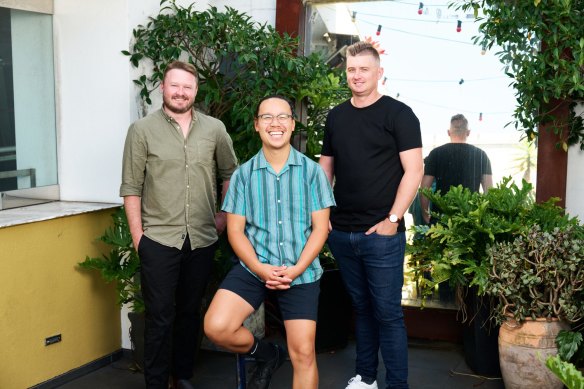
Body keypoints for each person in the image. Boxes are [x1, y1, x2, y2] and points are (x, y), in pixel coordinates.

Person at [120, 60, 238, 389]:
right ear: (163, 87)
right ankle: (156, 383)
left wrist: (224, 216)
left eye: (187, 87)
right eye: (175, 85)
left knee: (189, 312)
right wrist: (138, 237)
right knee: (159, 317)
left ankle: (182, 376)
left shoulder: (214, 129)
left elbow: (230, 173)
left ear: (196, 91)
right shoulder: (142, 130)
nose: (181, 92)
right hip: (157, 239)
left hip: (201, 238)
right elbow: (131, 187)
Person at [204, 95, 335, 389]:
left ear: (292, 124)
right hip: (255, 266)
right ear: (256, 125)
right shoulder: (243, 176)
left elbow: (320, 229)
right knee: (217, 327)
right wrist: (261, 269)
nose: (274, 123)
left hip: (300, 271)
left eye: (282, 117)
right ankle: (266, 354)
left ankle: (282, 355)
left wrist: (297, 268)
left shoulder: (312, 173)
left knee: (303, 353)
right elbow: (235, 232)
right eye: (266, 117)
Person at [319, 42, 424, 389]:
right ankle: (366, 378)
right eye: (351, 69)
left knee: (388, 313)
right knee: (362, 309)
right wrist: (325, 214)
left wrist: (392, 221)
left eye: (364, 69)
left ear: (379, 73)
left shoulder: (399, 114)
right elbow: (326, 169)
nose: (357, 75)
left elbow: (414, 171)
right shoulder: (336, 116)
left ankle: (397, 384)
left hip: (382, 235)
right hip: (343, 233)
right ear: (345, 72)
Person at [420, 113, 493, 224]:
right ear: (468, 133)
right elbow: (489, 191)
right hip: (471, 219)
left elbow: (425, 188)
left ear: (448, 133)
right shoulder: (481, 155)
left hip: (442, 218)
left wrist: (425, 214)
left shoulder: (435, 154)